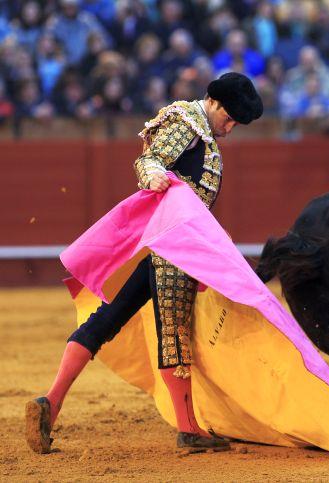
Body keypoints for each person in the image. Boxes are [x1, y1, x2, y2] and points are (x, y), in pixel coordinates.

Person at [25, 72, 263, 454]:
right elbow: (151, 157)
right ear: (215, 102)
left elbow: (191, 202)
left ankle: (51, 403)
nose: (230, 128)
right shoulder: (188, 121)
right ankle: (188, 428)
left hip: (163, 247)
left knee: (106, 319)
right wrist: (152, 174)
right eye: (230, 118)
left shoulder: (204, 133)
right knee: (174, 333)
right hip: (171, 253)